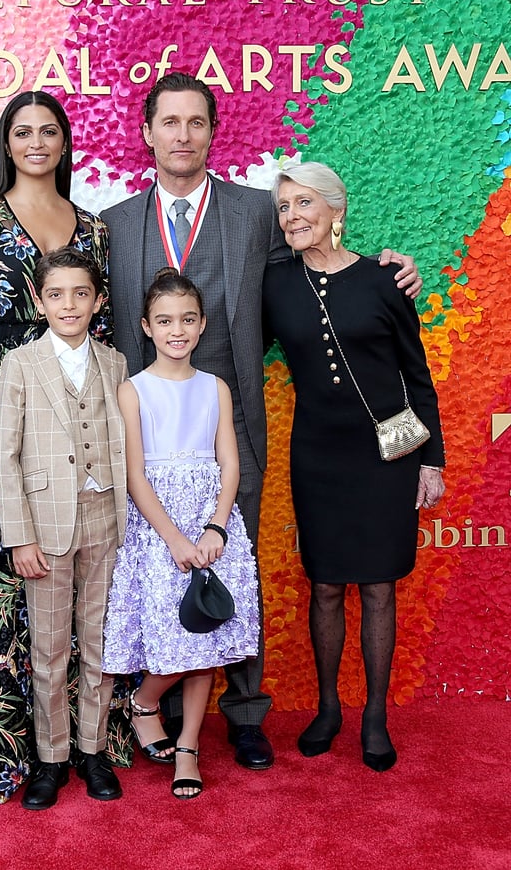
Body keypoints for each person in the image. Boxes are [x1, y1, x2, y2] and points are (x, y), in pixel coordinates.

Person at [102, 71, 422, 770]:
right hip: (147, 428)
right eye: (170, 122)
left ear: (212, 132)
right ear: (148, 132)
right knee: (153, 568)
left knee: (231, 565)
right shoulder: (116, 224)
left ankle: (244, 714)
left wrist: (387, 267)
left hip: (231, 423)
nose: (182, 135)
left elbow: (318, 267)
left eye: (196, 122)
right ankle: (142, 705)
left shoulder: (254, 213)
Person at [0, 91, 116, 801]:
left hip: (78, 420)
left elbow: (103, 343)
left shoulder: (95, 227)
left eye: (50, 131)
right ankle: (15, 744)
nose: (37, 142)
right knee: (13, 581)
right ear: (6, 142)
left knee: (95, 607)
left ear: (66, 142)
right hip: (0, 409)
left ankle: (92, 745)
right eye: (24, 132)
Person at [262, 161, 446, 771]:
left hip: (386, 457)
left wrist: (432, 461)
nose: (293, 216)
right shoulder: (275, 283)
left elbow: (417, 376)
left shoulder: (386, 280)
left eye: (304, 203)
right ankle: (327, 708)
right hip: (318, 456)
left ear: (336, 212)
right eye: (284, 206)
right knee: (324, 586)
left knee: (378, 587)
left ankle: (374, 716)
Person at [102, 268, 260, 798]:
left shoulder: (215, 387)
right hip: (157, 529)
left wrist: (216, 526)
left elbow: (230, 464)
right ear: (146, 327)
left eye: (187, 320)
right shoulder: (132, 391)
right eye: (165, 321)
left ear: (202, 325)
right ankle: (144, 702)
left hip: (213, 525)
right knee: (173, 636)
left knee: (207, 636)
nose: (177, 330)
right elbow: (134, 474)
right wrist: (172, 537)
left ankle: (188, 746)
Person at [0, 247, 128, 810]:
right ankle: (50, 759)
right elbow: (5, 455)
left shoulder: (116, 362)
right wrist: (19, 535)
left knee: (98, 643)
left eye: (80, 293)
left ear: (98, 300)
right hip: (45, 529)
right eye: (56, 294)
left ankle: (92, 752)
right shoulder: (20, 365)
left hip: (105, 520)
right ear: (39, 301)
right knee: (49, 651)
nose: (69, 304)